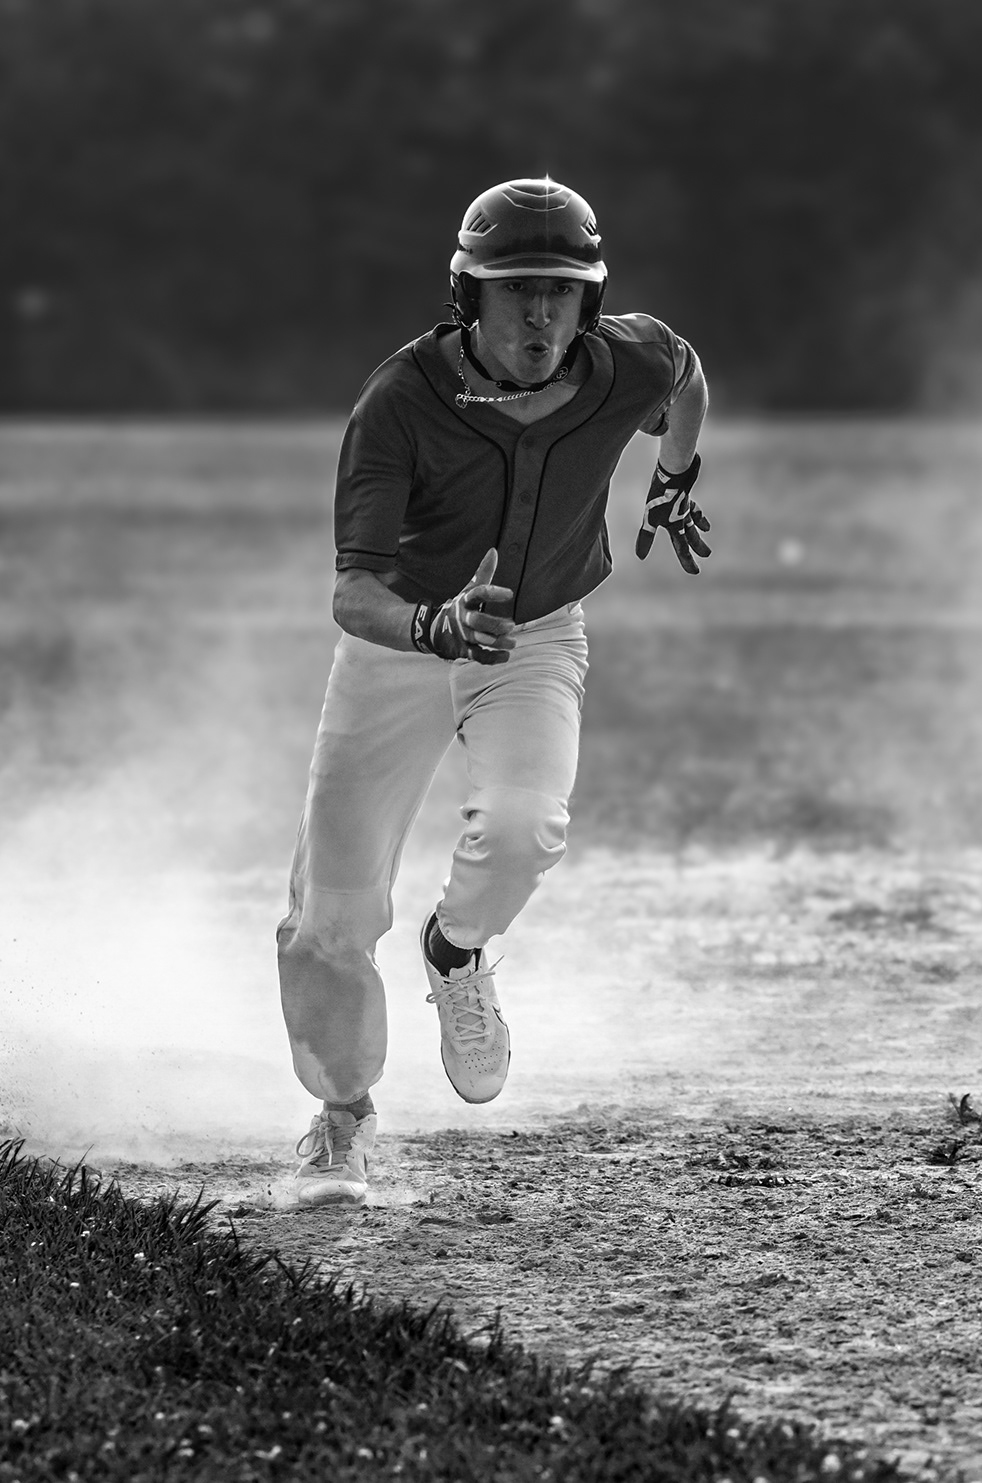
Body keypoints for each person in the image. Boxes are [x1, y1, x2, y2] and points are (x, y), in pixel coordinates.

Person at [277, 177, 711, 1205]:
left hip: (534, 634)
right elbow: (353, 592)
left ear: (590, 300)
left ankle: (456, 950)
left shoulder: (627, 362)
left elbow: (686, 373)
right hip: (400, 648)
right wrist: (433, 626)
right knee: (331, 918)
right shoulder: (401, 400)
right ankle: (342, 1117)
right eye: (517, 289)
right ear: (468, 295)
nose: (540, 314)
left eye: (562, 290)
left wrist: (675, 475)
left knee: (525, 827)